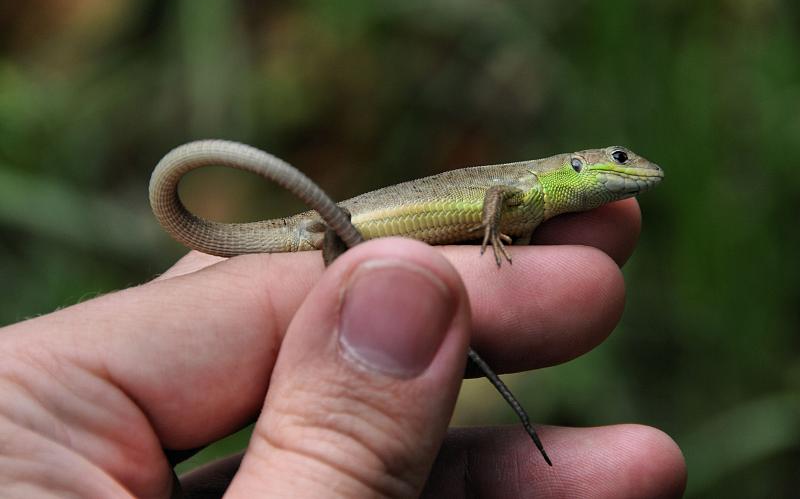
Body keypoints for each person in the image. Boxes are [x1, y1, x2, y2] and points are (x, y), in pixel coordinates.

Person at [0, 200, 685, 497]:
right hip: (332, 223)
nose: (632, 173)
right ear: (578, 165)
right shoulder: (531, 181)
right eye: (619, 161)